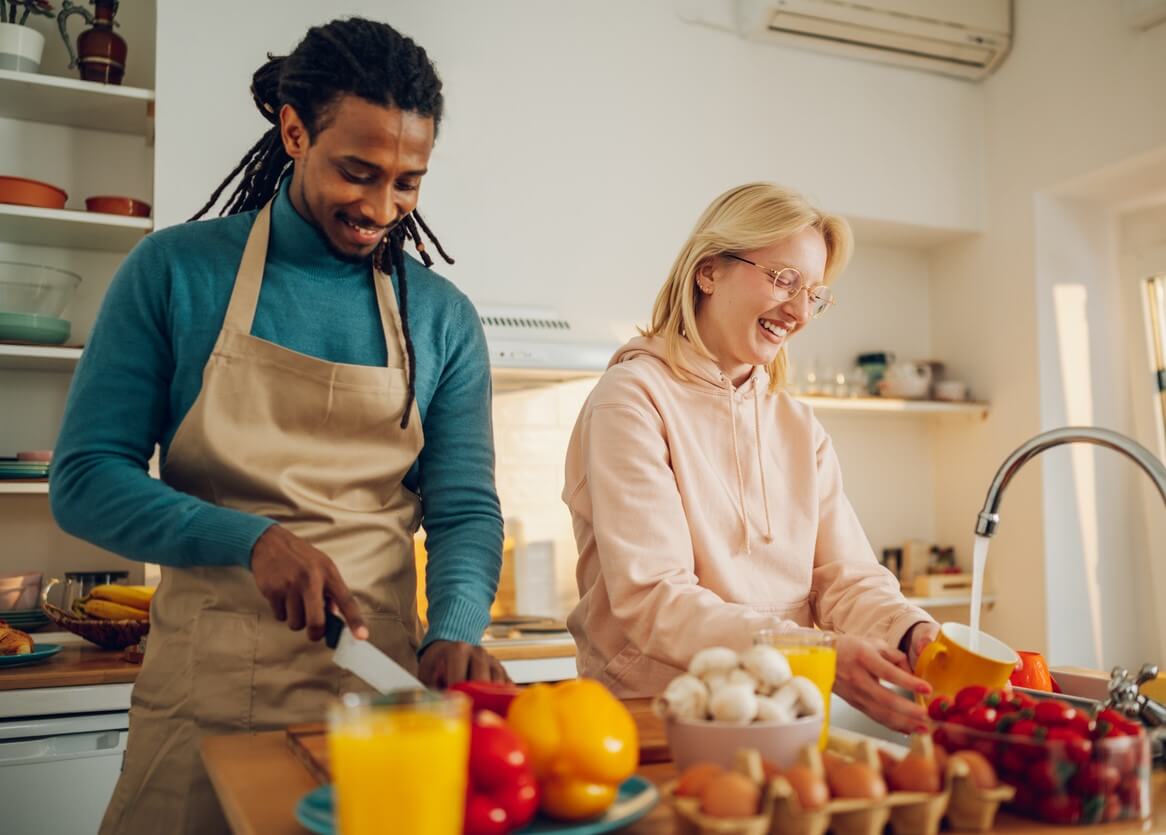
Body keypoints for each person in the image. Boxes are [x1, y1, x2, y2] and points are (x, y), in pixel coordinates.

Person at [49, 18, 506, 834]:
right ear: (294, 131)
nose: (380, 208)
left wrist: (456, 628)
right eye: (357, 172)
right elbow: (84, 478)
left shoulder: (442, 319)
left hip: (383, 703)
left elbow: (465, 507)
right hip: (205, 704)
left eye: (408, 183)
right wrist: (251, 538)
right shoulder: (175, 272)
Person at [563, 183, 939, 733]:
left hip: (781, 709)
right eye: (784, 280)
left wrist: (909, 629)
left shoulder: (796, 425)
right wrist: (815, 652)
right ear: (708, 271)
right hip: (662, 713)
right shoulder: (633, 397)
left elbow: (845, 577)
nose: (799, 311)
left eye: (813, 294)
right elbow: (654, 596)